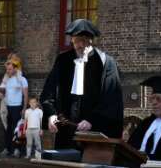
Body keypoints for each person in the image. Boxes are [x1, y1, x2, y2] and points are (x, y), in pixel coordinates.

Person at [40, 19, 124, 150]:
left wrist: (92, 119)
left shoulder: (106, 63)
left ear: (91, 41)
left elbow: (111, 98)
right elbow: (49, 90)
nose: (80, 45)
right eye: (76, 41)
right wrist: (51, 113)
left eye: (84, 41)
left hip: (93, 131)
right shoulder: (63, 60)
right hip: (66, 129)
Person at [0, 54, 28, 157]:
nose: (8, 71)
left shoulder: (22, 79)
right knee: (7, 129)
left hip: (17, 107)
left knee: (17, 129)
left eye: (10, 69)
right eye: (7, 69)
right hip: (7, 107)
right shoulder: (6, 79)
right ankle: (7, 149)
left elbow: (25, 95)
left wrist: (24, 108)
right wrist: (0, 94)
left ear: (15, 68)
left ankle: (17, 150)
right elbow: (1, 91)